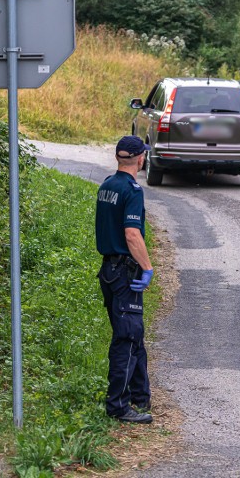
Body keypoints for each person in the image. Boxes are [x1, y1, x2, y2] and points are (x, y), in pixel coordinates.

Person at [95, 135, 155, 423]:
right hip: (124, 272)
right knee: (127, 336)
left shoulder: (107, 185)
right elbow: (132, 234)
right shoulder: (132, 191)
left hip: (109, 270)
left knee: (134, 333)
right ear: (140, 158)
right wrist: (147, 267)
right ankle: (118, 406)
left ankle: (140, 396)